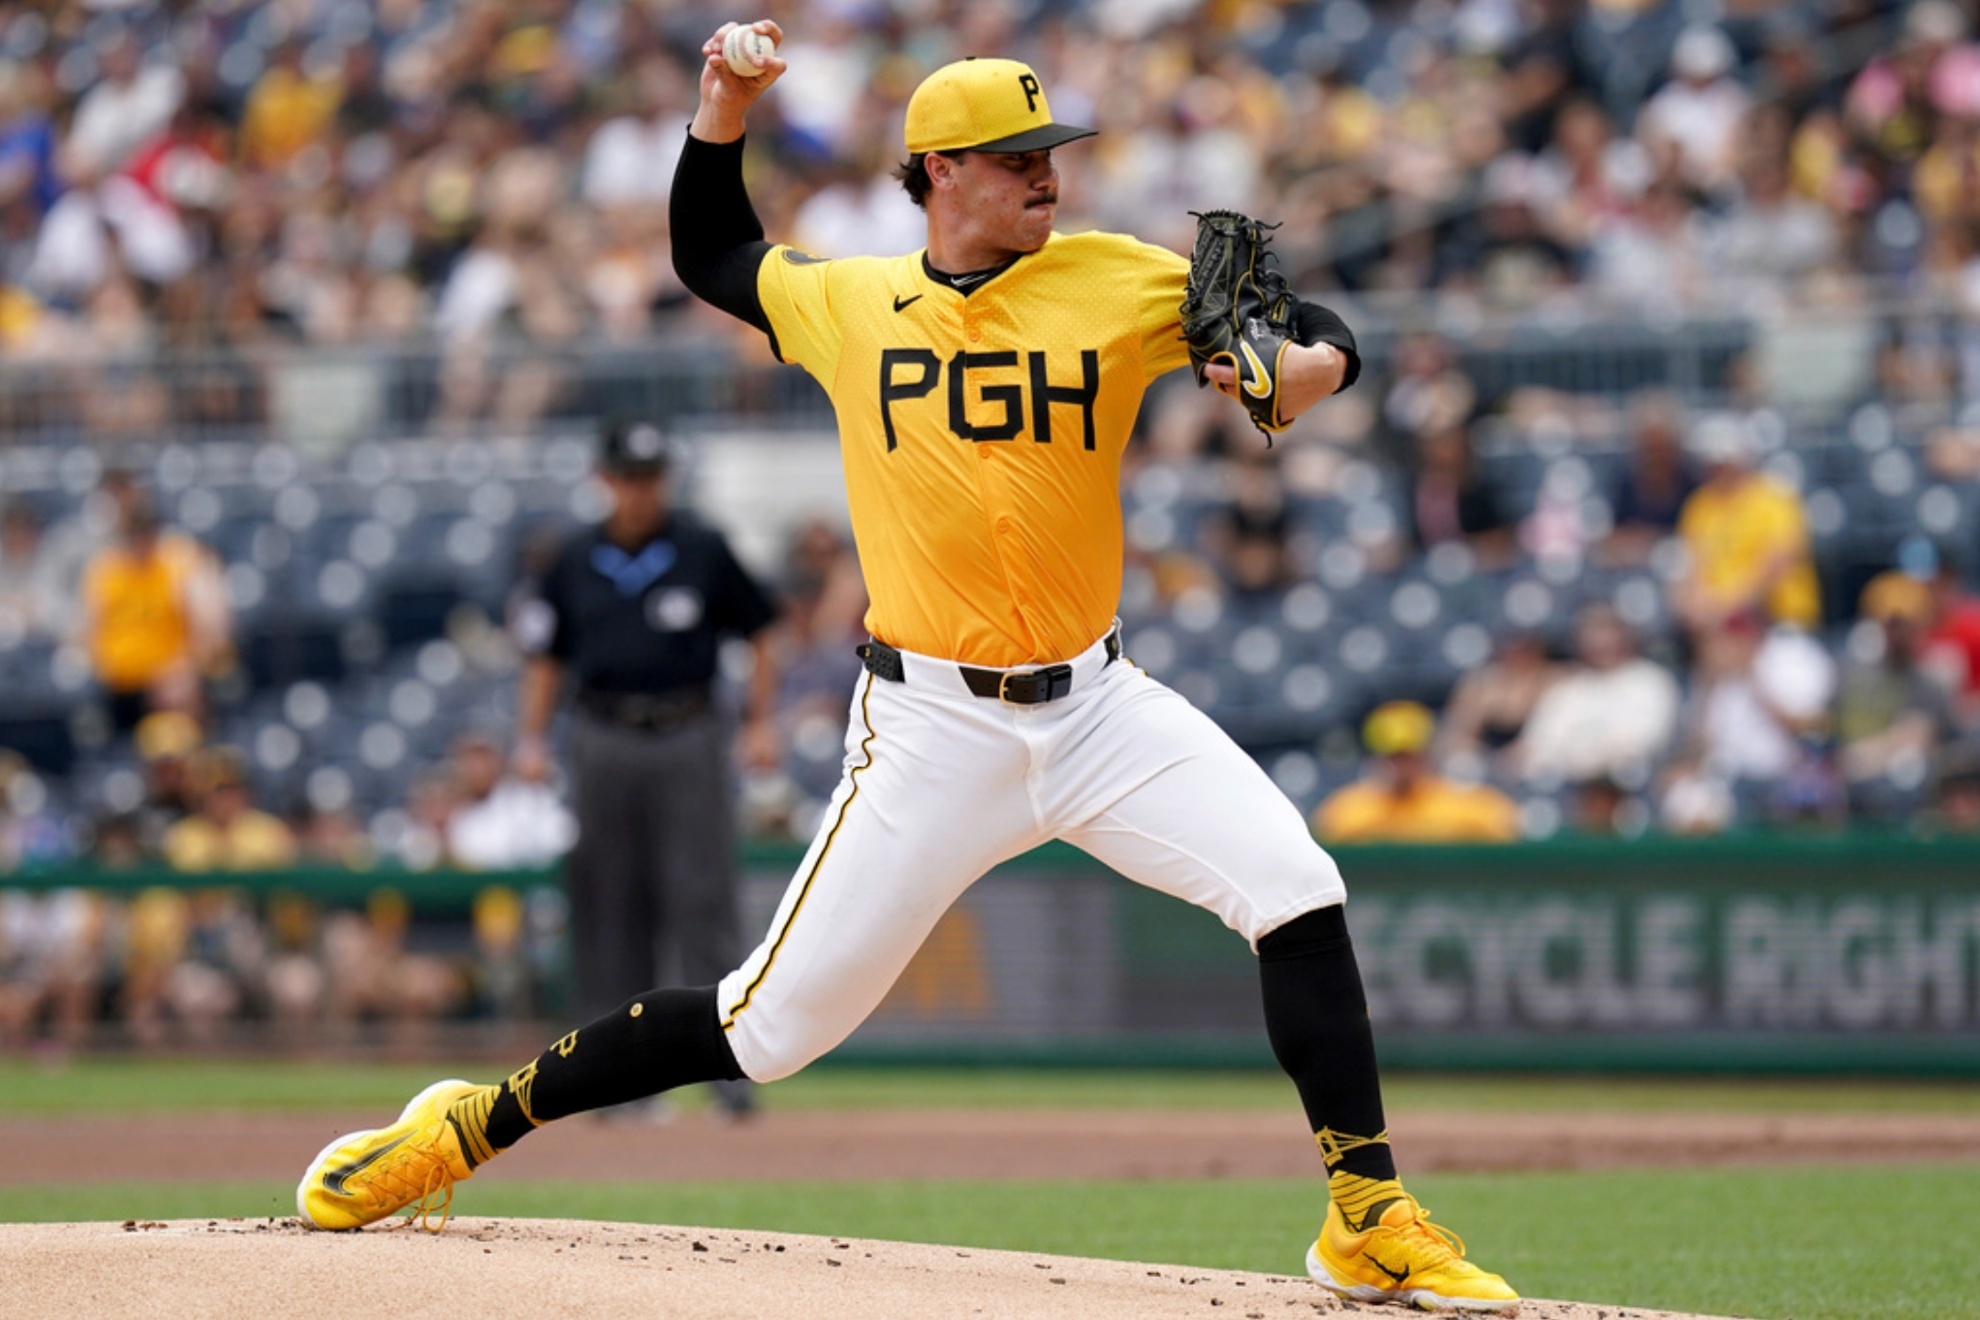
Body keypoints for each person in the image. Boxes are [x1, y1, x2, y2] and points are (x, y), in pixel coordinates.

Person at [296, 29, 1517, 1313]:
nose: (1048, 177)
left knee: (1296, 887)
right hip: (932, 730)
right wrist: (723, 109)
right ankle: (469, 1125)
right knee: (768, 1031)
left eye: (1053, 155)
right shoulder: (848, 301)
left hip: (1100, 707)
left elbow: (1304, 319)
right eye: (1017, 159)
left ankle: (1366, 1213)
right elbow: (709, 252)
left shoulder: (1117, 280)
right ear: (937, 171)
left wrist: (1317, 362)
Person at [509, 417, 781, 1118]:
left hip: (688, 729)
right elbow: (546, 658)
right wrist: (532, 740)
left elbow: (762, 633)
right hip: (602, 733)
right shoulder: (570, 556)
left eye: (650, 478)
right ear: (605, 480)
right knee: (608, 902)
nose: (638, 492)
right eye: (627, 478)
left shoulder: (701, 546)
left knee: (702, 899)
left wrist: (758, 721)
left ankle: (727, 1067)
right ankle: (611, 1080)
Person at [1314, 701, 1522, 845]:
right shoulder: (1346, 811)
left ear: (1426, 753)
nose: (1402, 765)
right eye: (1394, 756)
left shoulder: (1469, 806)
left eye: (1409, 755)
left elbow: (1510, 836)